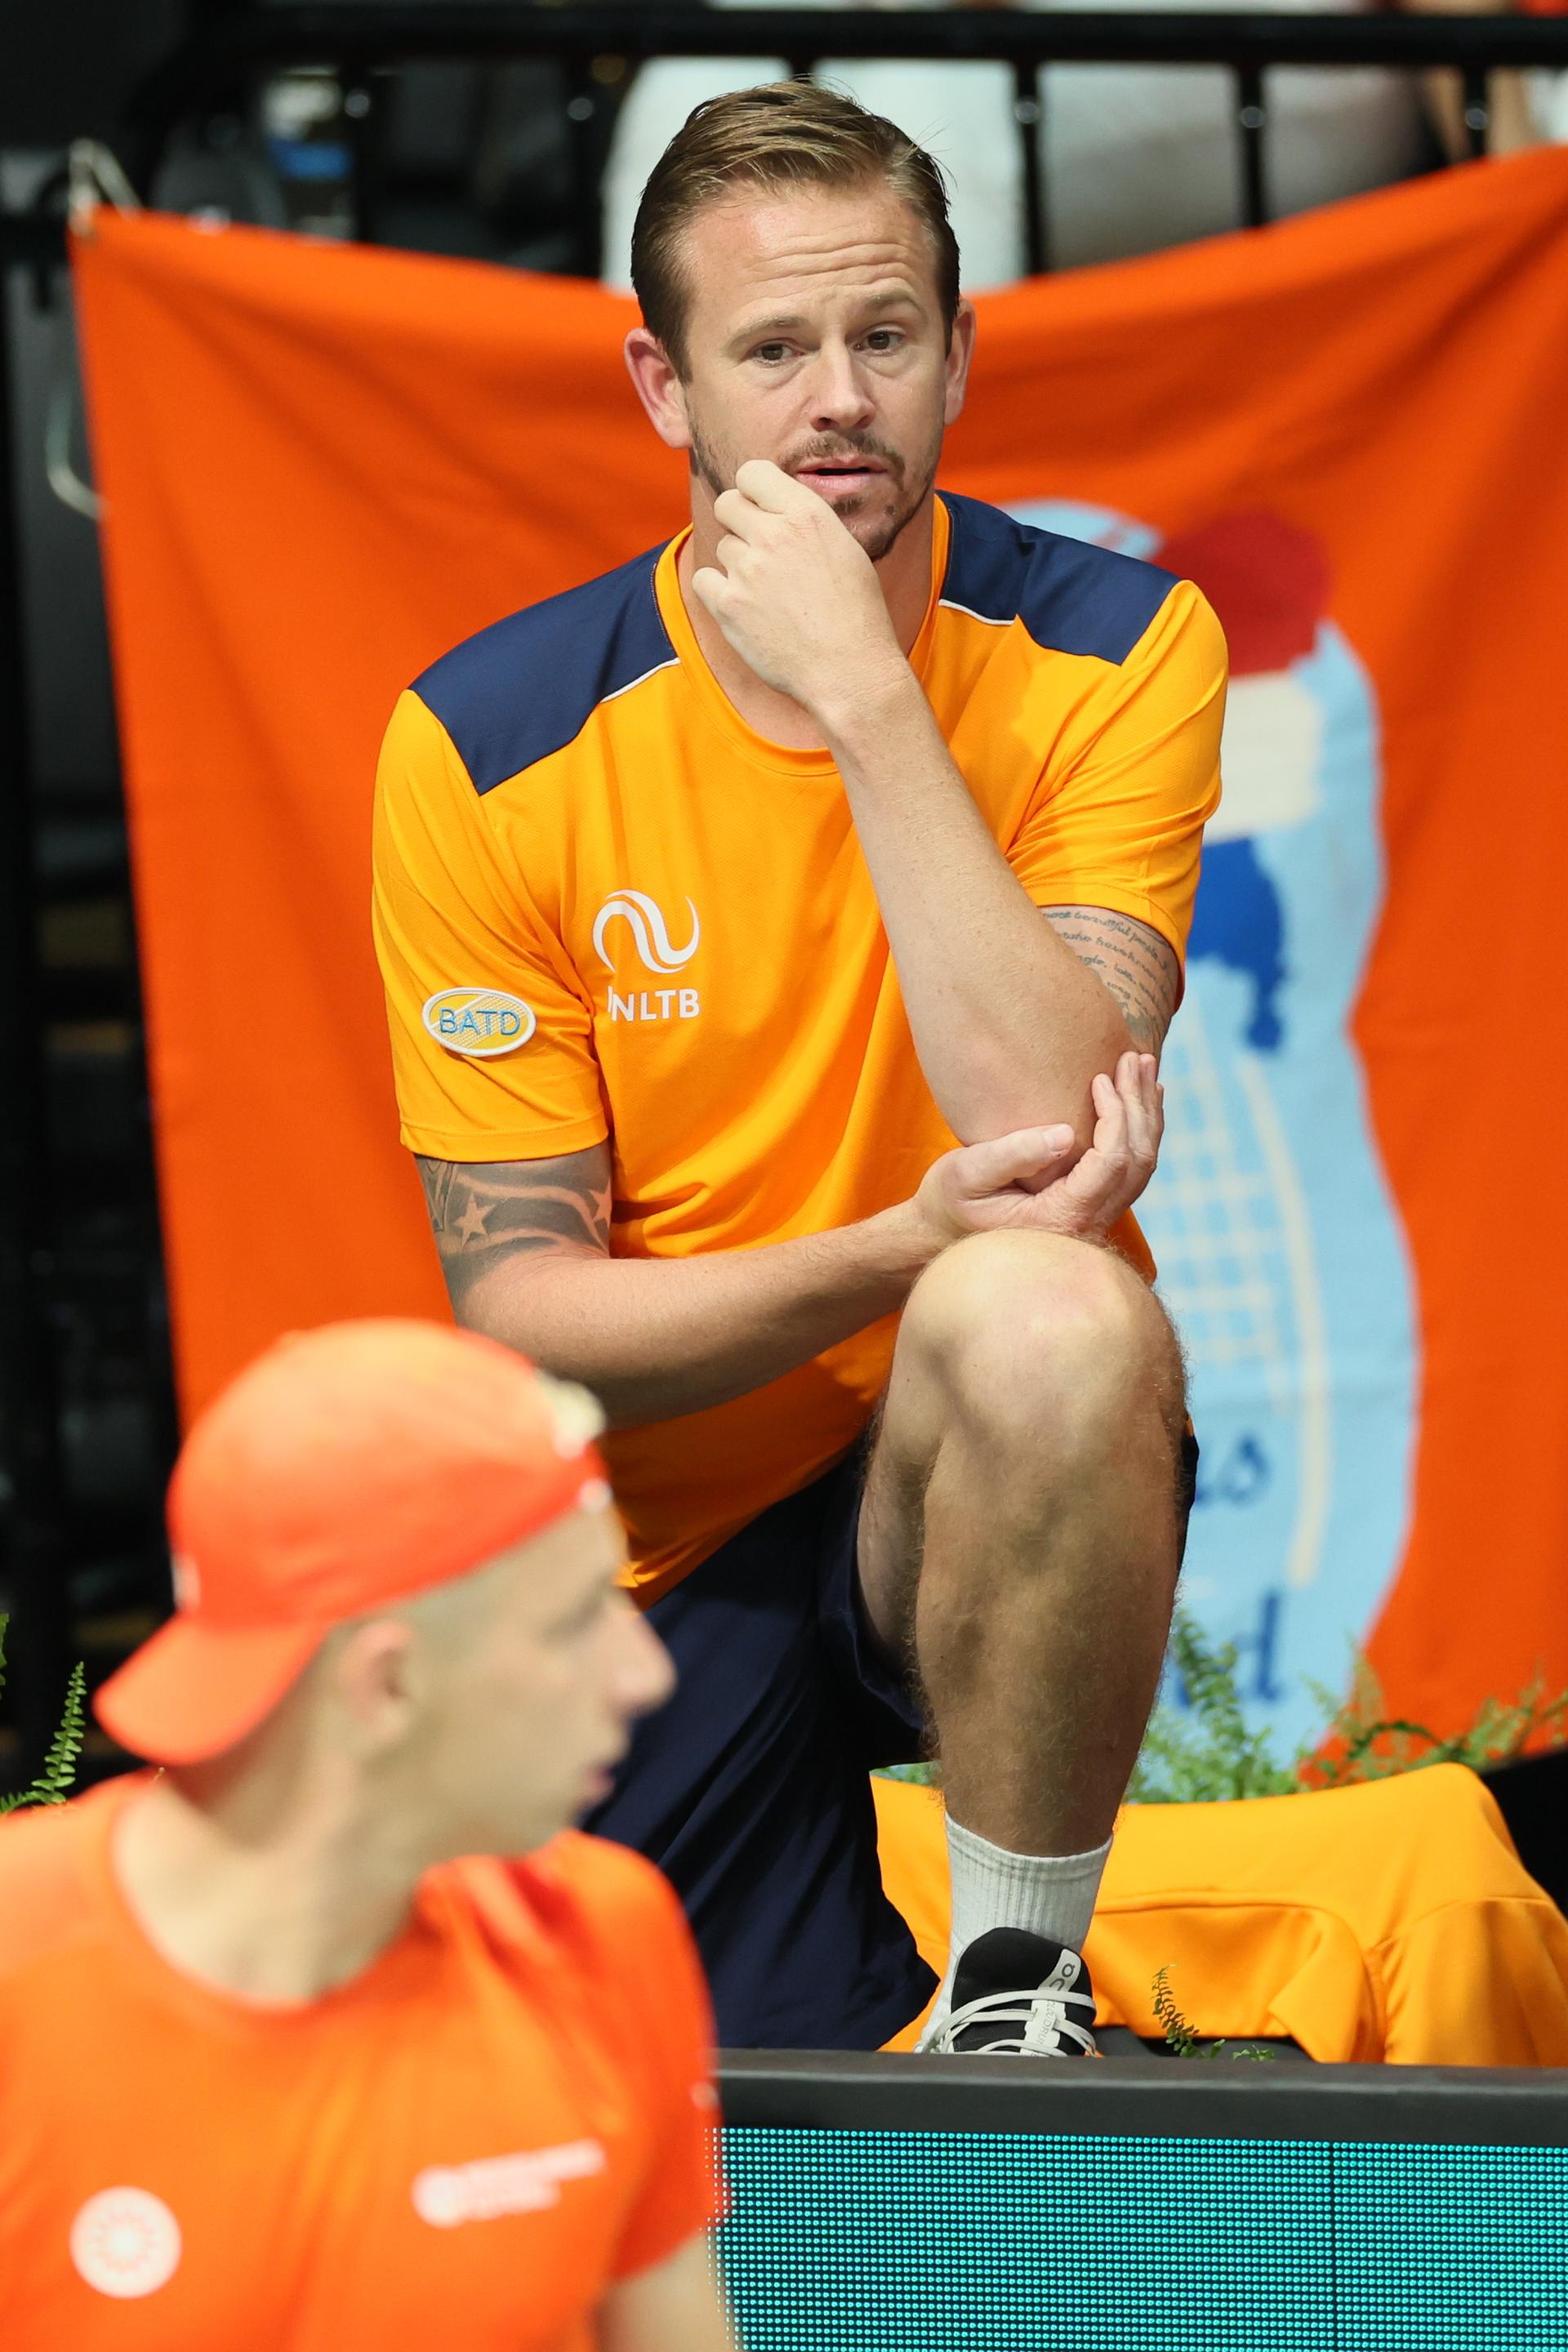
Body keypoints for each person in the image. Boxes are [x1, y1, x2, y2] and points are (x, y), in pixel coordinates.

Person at [373, 82, 1225, 2057]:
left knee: (1044, 1304)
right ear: (665, 391)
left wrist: (865, 698)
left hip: (976, 1460)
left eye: (884, 335)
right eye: (771, 350)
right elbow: (529, 1326)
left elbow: (1045, 1129)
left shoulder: (1116, 644)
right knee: (660, 2116)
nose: (836, 397)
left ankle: (1020, 1991)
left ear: (958, 352)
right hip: (649, 1545)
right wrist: (883, 1246)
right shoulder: (490, 740)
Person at [0, 1321, 733, 2351]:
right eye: (573, 1622)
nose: (646, 1676)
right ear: (384, 1685)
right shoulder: (18, 1979)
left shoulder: (606, 1933)